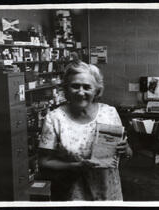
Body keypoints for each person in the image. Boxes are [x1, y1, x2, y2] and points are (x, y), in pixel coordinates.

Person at [38, 55, 133, 201]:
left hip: (108, 194)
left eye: (87, 87)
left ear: (96, 90)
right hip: (73, 195)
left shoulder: (109, 113)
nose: (81, 92)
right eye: (75, 86)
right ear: (66, 89)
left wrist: (125, 149)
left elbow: (126, 156)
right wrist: (76, 166)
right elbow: (44, 162)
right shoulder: (54, 118)